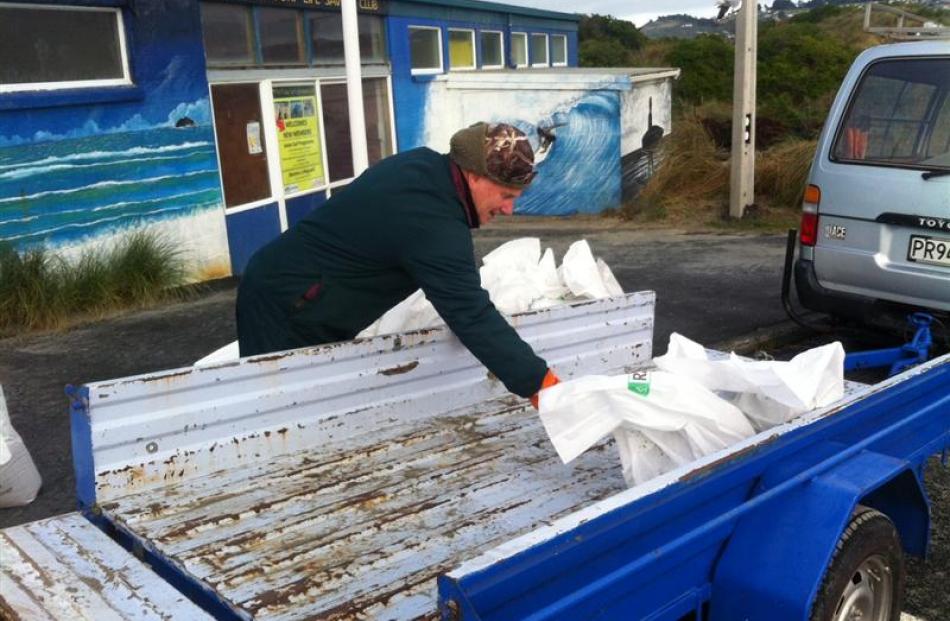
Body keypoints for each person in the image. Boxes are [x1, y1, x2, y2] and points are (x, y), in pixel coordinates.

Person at [236, 122, 559, 405]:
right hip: (286, 304)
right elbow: (469, 312)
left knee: (307, 403)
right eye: (506, 195)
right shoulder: (432, 218)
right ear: (475, 176)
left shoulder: (425, 168)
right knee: (276, 409)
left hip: (300, 293)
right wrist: (541, 385)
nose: (509, 210)